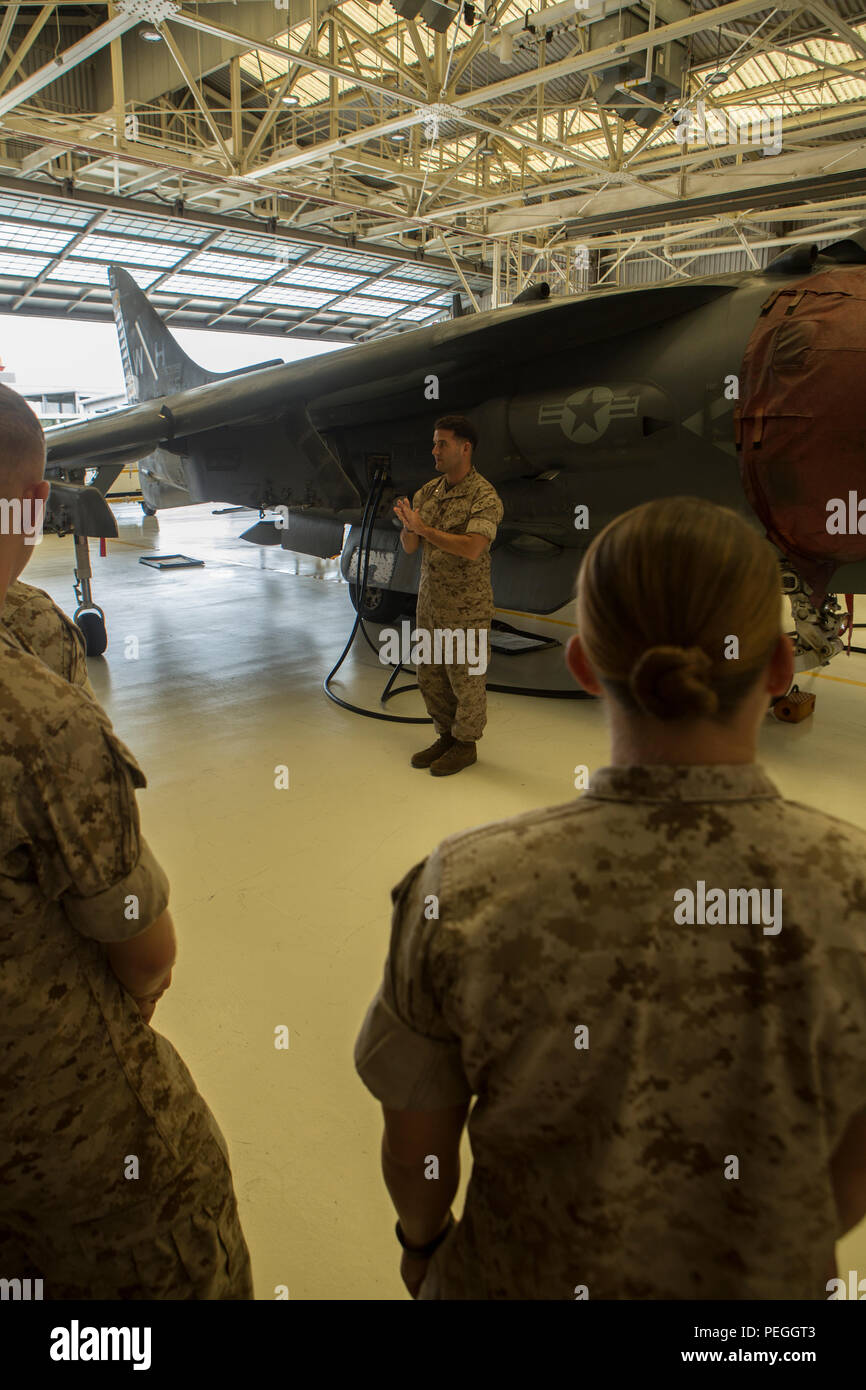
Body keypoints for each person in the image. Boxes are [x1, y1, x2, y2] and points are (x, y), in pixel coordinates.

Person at [354, 495, 866, 1299]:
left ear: (584, 665)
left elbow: (417, 1145)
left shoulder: (462, 886)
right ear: (779, 668)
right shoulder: (853, 888)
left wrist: (423, 1250)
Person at [0, 384, 252, 1299]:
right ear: (31, 509)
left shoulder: (34, 633)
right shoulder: (39, 722)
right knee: (178, 1236)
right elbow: (144, 949)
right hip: (56, 1117)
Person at [394, 414, 503, 776]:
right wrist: (410, 527)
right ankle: (445, 736)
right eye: (434, 442)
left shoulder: (483, 496)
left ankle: (466, 744)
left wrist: (425, 528)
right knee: (431, 676)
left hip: (466, 606)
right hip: (431, 602)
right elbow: (411, 547)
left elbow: (473, 547)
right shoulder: (429, 492)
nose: (434, 450)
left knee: (466, 679)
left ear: (465, 447)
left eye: (442, 443)